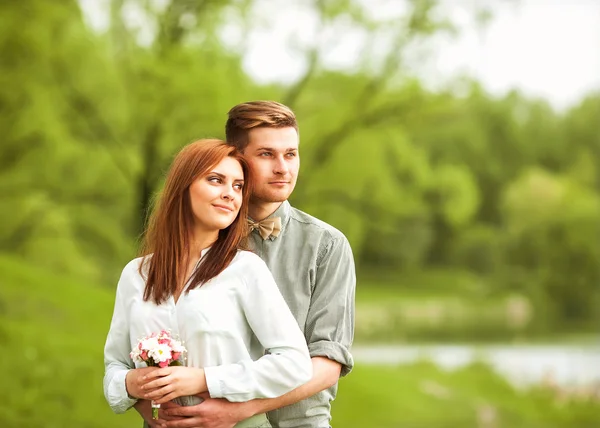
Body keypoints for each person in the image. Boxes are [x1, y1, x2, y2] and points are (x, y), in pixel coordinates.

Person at [156, 101, 356, 428]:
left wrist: (241, 409)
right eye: (266, 154)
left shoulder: (327, 246)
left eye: (290, 154)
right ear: (237, 159)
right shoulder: (195, 240)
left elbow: (327, 362)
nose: (283, 168)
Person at [103, 139, 312, 428]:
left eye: (238, 186)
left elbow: (295, 363)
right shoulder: (136, 274)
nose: (230, 194)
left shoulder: (245, 270)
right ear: (183, 187)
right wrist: (131, 385)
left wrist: (204, 380)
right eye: (216, 180)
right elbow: (114, 367)